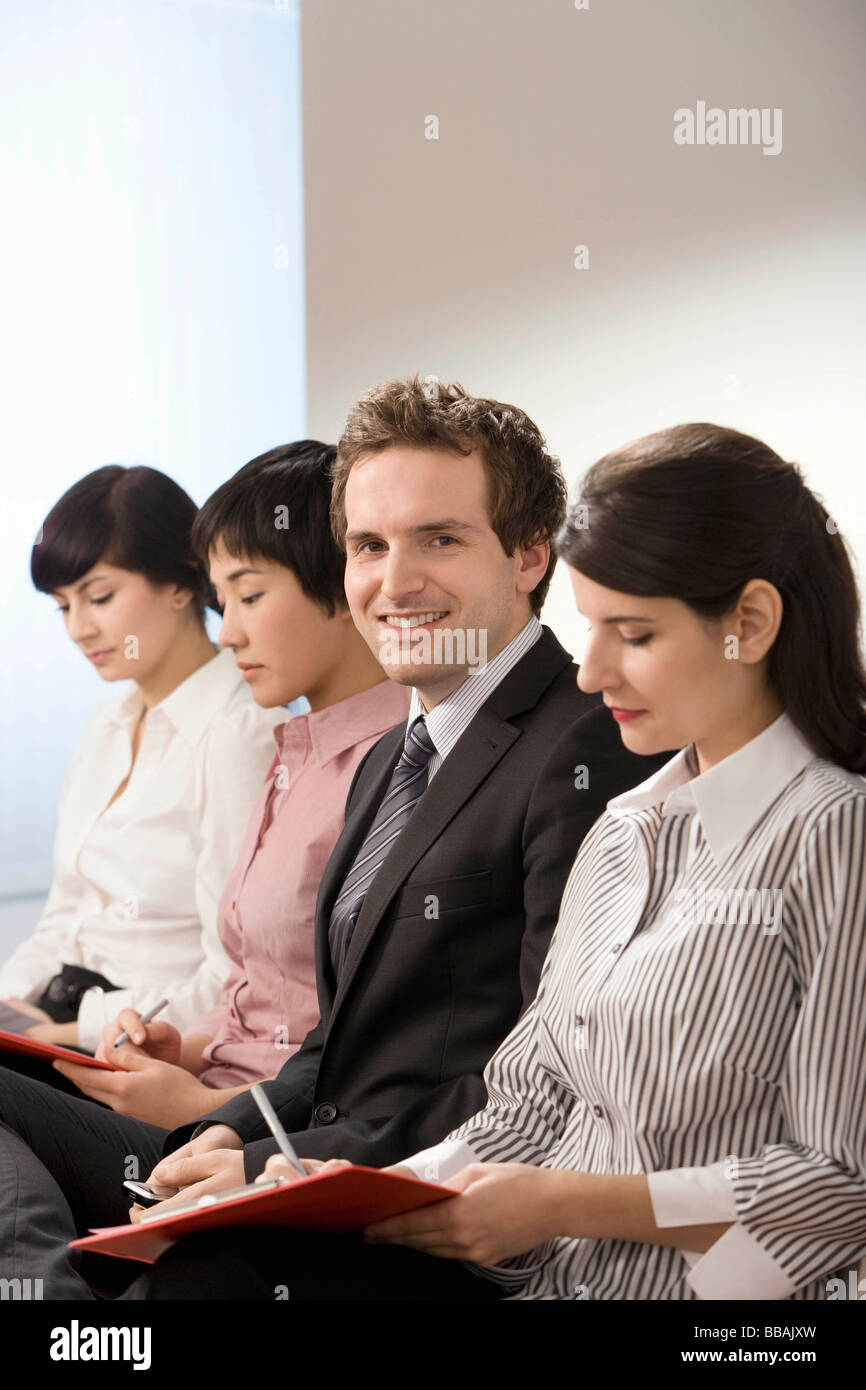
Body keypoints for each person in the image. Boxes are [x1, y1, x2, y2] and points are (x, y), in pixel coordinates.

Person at [127, 422, 866, 1302]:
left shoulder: (833, 833)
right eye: (590, 628)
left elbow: (842, 1185)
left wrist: (566, 1202)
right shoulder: (627, 827)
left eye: (631, 635)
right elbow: (533, 1096)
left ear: (749, 623)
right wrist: (341, 1183)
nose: (590, 673)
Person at [0, 377, 669, 1298]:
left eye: (438, 539)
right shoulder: (393, 753)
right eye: (368, 545)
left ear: (527, 555)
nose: (394, 581)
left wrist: (301, 1162)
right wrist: (234, 1131)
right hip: (301, 1160)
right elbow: (337, 1044)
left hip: (435, 1206)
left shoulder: (587, 742)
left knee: (194, 1285)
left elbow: (550, 1075)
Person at [50, 441, 410, 1128]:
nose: (228, 633)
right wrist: (181, 1048)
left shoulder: (387, 761)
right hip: (211, 1087)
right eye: (228, 601)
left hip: (258, 1128)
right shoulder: (294, 747)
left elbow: (358, 1050)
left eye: (248, 596)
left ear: (342, 585)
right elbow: (253, 989)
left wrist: (206, 1105)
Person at [0, 465, 282, 1061]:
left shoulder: (239, 733)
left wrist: (65, 1031)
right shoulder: (108, 726)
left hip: (141, 1043)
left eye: (99, 597)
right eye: (62, 606)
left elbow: (233, 977)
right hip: (59, 1017)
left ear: (181, 583)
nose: (79, 628)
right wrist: (9, 1003)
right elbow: (66, 916)